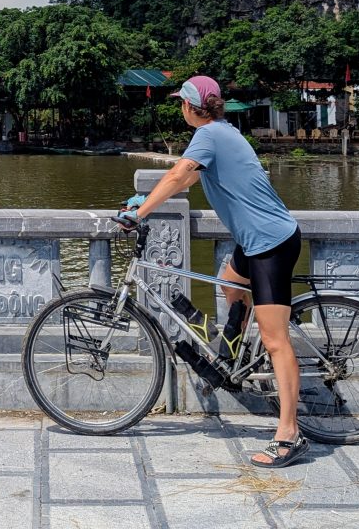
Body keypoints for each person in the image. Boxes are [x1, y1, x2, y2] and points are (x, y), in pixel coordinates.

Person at [117, 75, 306, 469]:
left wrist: (139, 213)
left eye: (180, 103)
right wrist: (144, 199)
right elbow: (188, 175)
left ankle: (289, 434)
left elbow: (179, 175)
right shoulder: (221, 131)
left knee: (276, 341)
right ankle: (235, 352)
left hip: (269, 244)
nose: (180, 109)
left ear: (190, 106)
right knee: (229, 283)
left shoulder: (207, 136)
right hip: (256, 240)